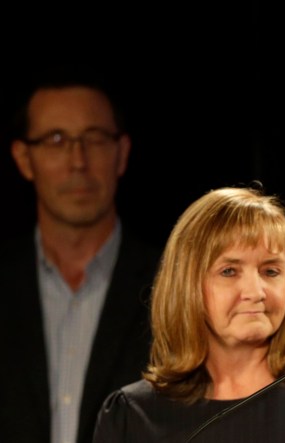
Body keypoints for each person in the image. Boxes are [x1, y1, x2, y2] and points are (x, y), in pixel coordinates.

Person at [0, 64, 161, 443]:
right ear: (23, 158)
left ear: (122, 153)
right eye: (56, 139)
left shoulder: (173, 283)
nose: (78, 161)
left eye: (95, 138)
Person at [92, 186, 285, 443]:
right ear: (187, 285)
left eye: (270, 271)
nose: (255, 292)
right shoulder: (132, 418)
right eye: (229, 271)